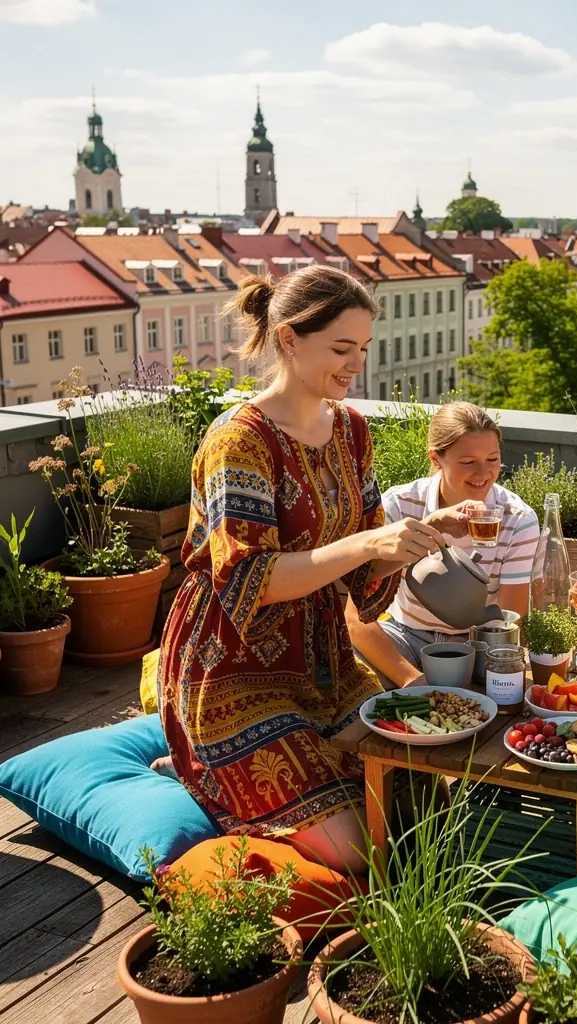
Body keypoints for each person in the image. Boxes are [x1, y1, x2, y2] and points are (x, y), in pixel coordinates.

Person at [156, 266, 445, 872]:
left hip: (325, 664)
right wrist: (370, 544)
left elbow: (363, 564)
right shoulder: (240, 440)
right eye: (342, 348)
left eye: (363, 348)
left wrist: (407, 545)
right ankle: (201, 767)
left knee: (429, 799)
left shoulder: (352, 430)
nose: (356, 363)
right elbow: (247, 581)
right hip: (231, 673)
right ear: (288, 339)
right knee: (358, 851)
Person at [347, 402, 540, 686]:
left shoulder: (517, 519)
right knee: (351, 681)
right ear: (436, 458)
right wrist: (413, 681)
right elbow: (355, 616)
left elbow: (509, 621)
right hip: (405, 637)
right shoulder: (400, 505)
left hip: (480, 647)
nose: (483, 473)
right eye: (468, 462)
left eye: (493, 459)